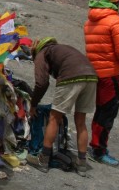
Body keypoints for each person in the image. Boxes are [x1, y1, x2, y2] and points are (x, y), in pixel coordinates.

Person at [26, 37, 98, 177]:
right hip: (91, 77)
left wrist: (33, 104)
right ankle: (81, 164)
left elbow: (41, 82)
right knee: (81, 122)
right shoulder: (62, 49)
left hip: (71, 77)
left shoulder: (43, 53)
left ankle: (43, 160)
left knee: (54, 118)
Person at [84, 0, 119, 165]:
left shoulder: (90, 20)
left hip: (94, 71)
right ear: (116, 2)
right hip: (110, 73)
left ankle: (96, 145)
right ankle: (99, 150)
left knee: (100, 109)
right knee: (108, 111)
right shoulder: (116, 21)